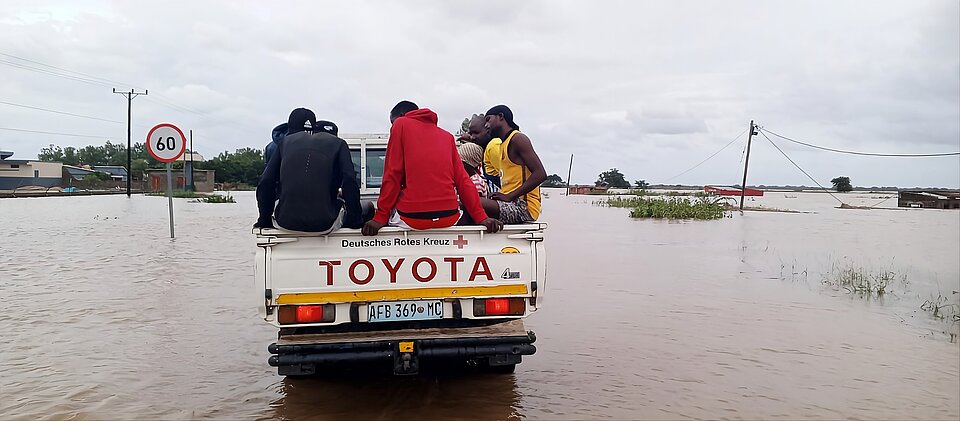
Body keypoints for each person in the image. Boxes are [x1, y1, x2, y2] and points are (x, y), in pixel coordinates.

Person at [361, 101, 502, 235]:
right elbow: (463, 180)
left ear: (401, 116)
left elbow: (392, 175)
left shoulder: (401, 124)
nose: (392, 127)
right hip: (449, 217)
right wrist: (481, 217)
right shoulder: (447, 137)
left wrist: (380, 217)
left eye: (392, 123)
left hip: (412, 218)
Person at [255, 108, 363, 233]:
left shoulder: (283, 143)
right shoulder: (339, 144)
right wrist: (355, 221)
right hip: (325, 224)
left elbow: (266, 182)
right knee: (367, 207)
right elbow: (350, 182)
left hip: (285, 222)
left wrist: (264, 220)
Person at [481, 104, 546, 223]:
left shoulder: (518, 139)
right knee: (470, 204)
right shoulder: (501, 145)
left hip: (523, 207)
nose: (486, 125)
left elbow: (540, 174)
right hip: (508, 203)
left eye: (488, 119)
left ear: (501, 116)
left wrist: (509, 196)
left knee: (471, 201)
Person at [460, 114, 502, 195]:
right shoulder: (487, 148)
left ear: (488, 130)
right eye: (471, 134)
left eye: (476, 132)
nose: (472, 137)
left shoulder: (493, 146)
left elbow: (506, 176)